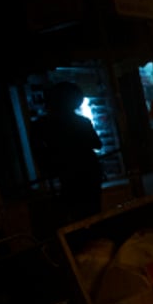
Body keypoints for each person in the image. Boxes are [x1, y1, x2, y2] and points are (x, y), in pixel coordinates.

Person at [30, 81, 103, 224]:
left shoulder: (42, 125)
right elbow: (97, 144)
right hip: (88, 171)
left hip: (66, 174)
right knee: (93, 211)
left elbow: (38, 151)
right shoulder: (82, 122)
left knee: (76, 214)